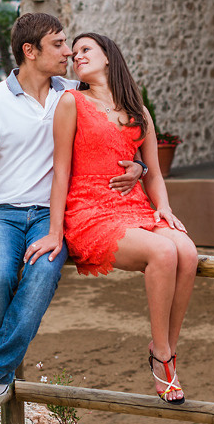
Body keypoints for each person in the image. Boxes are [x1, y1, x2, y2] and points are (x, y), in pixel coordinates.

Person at [0, 14, 146, 407]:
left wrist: (138, 165)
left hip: (54, 215)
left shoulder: (75, 92)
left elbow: (122, 128)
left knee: (41, 278)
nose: (69, 51)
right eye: (58, 44)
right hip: (3, 212)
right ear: (30, 51)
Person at [24, 33, 199, 403]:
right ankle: (164, 360)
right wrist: (56, 230)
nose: (76, 56)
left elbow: (152, 171)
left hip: (135, 207)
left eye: (86, 49)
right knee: (164, 254)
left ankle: (163, 345)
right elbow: (60, 170)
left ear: (108, 57)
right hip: (89, 210)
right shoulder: (71, 102)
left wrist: (163, 208)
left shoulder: (138, 110)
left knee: (187, 251)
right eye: (74, 53)